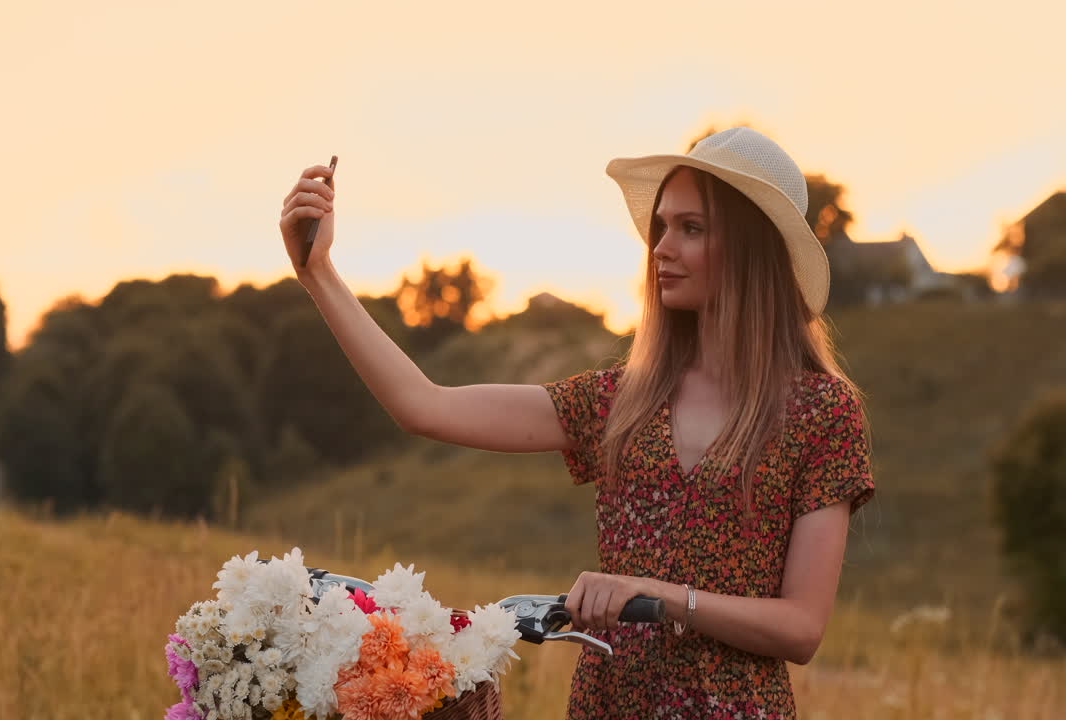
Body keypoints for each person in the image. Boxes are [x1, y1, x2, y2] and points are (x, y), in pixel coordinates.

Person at [277, 126, 875, 719]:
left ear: (753, 249)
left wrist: (661, 597)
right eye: (662, 226)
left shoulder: (822, 414)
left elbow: (801, 628)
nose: (661, 247)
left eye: (691, 229)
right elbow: (423, 405)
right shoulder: (620, 402)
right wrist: (320, 274)